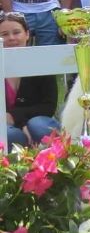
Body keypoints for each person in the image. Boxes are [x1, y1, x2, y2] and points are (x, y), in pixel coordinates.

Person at [1, 11, 60, 148]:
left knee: (39, 127)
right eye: (4, 34)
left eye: (16, 32)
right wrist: (18, 123)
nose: (11, 38)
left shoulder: (41, 62)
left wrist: (15, 117)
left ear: (27, 34)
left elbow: (48, 106)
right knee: (11, 136)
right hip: (6, 125)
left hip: (38, 120)